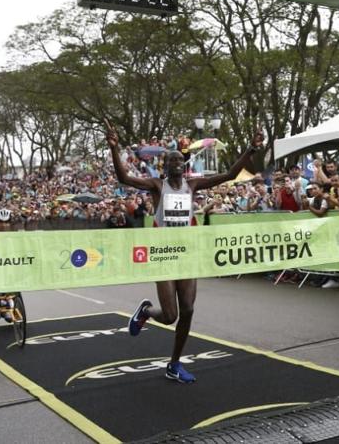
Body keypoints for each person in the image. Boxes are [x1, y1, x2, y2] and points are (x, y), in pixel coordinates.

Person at [106, 122, 264, 384]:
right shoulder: (157, 185)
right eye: (171, 160)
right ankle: (146, 312)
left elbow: (229, 174)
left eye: (180, 159)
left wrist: (251, 149)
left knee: (188, 309)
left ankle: (174, 364)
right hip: (164, 255)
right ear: (165, 166)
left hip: (186, 253)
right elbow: (124, 179)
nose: (177, 163)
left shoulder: (193, 185)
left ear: (185, 164)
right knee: (170, 316)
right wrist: (114, 149)